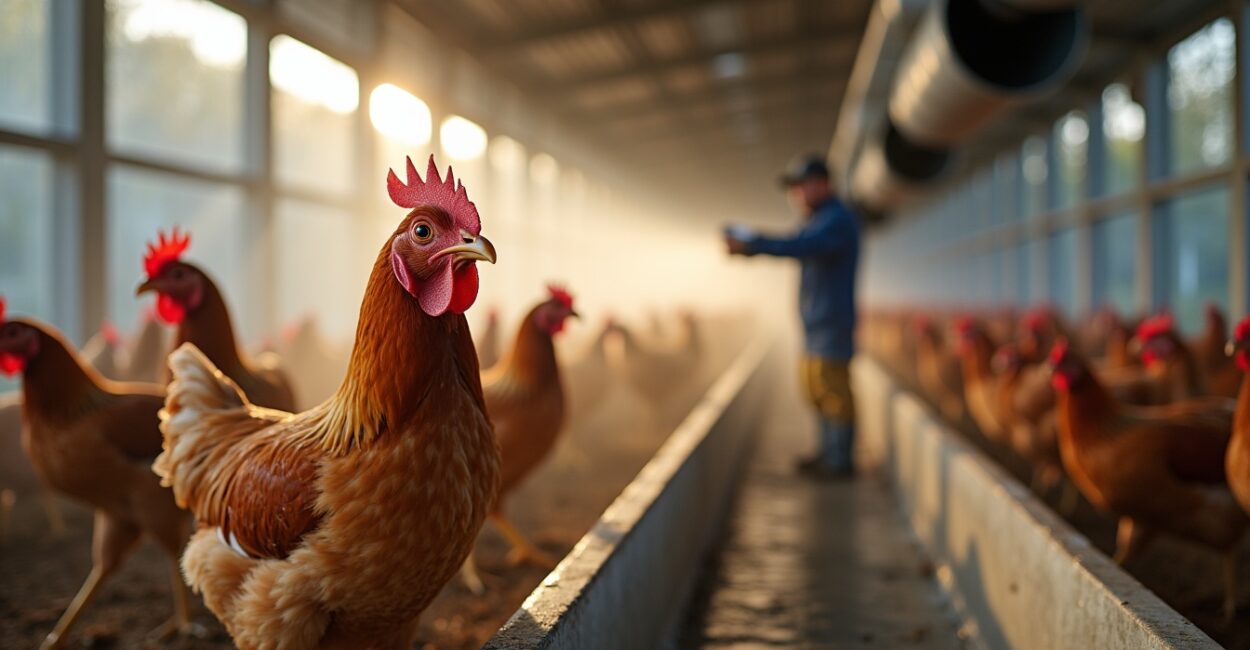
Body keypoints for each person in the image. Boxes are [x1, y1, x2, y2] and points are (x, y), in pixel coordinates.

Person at [724, 154, 861, 479]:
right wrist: (753, 248)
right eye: (795, 188)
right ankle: (829, 453)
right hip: (818, 324)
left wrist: (754, 244)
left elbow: (800, 246)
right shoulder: (819, 221)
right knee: (816, 388)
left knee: (833, 391)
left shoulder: (837, 220)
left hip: (832, 323)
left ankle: (841, 462)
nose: (796, 194)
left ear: (823, 185)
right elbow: (798, 244)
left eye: (802, 186)